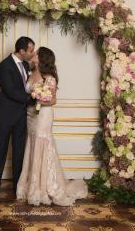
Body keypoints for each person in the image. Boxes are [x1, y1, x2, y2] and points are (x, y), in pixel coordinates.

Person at [16, 46, 88, 206]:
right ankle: (31, 185)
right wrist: (33, 98)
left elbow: (53, 100)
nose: (33, 55)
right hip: (30, 115)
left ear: (42, 58)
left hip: (43, 116)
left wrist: (40, 99)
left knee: (43, 144)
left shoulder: (49, 77)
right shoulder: (30, 72)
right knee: (32, 144)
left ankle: (43, 188)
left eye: (36, 54)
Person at [0, 36, 35, 202]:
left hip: (21, 116)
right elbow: (10, 90)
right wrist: (31, 98)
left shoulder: (27, 65)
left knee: (19, 152)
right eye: (30, 50)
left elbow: (26, 86)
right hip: (5, 116)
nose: (32, 53)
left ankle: (17, 187)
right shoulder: (4, 66)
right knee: (0, 152)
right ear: (21, 51)